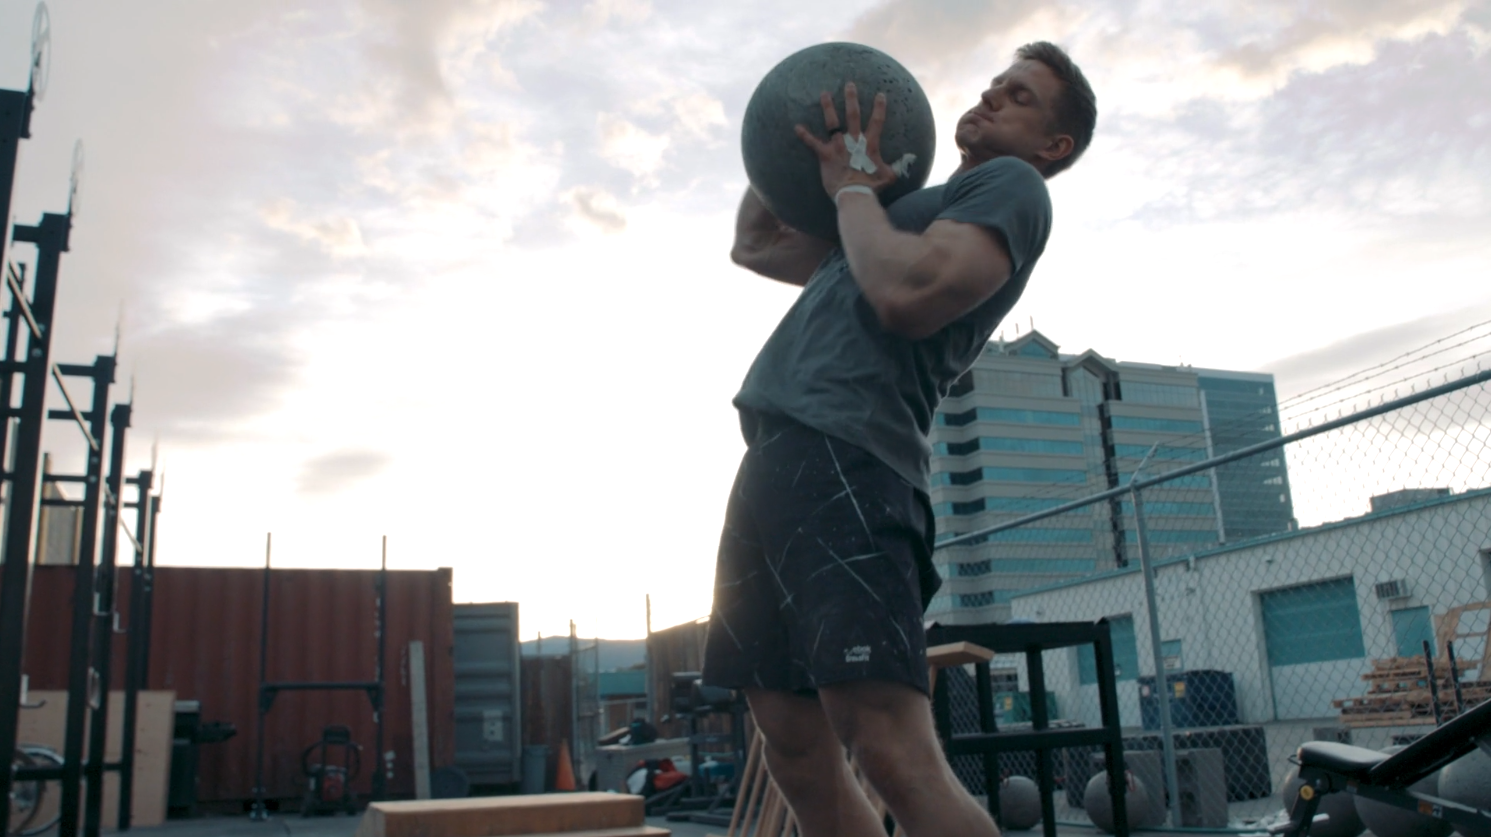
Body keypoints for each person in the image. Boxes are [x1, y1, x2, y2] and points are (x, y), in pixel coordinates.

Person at [700, 41, 1097, 836]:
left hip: (851, 458)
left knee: (885, 746)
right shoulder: (894, 215)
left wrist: (851, 187)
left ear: (1053, 145)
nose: (989, 97)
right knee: (793, 748)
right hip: (777, 455)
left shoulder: (1009, 188)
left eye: (1017, 97)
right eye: (992, 83)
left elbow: (909, 294)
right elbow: (756, 242)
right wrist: (809, 131)